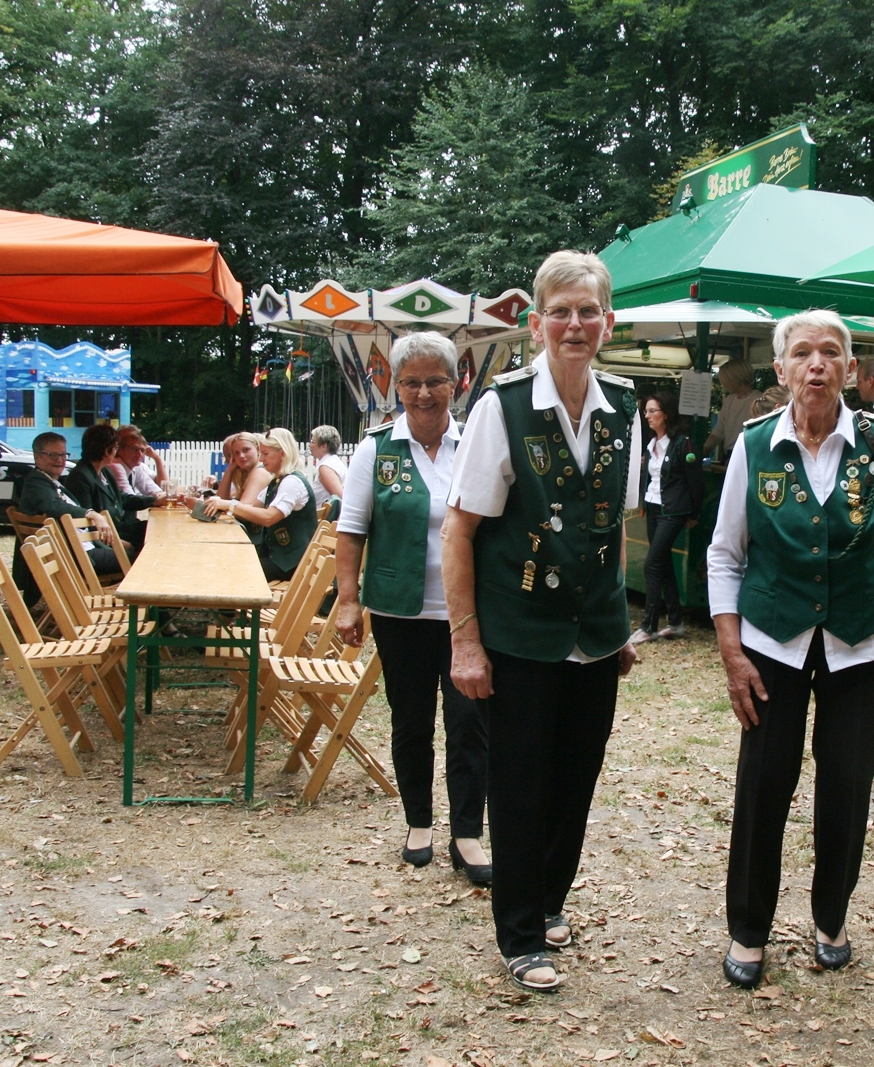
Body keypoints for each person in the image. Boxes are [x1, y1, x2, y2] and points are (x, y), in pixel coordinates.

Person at [708, 309, 874, 989]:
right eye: (802, 352)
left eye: (830, 352)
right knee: (763, 784)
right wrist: (732, 652)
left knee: (846, 784)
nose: (816, 364)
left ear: (850, 368)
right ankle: (749, 929)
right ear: (780, 369)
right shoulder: (754, 446)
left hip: (863, 643)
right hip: (771, 644)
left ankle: (831, 917)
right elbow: (725, 553)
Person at [442, 250, 642, 993]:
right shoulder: (502, 408)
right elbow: (458, 531)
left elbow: (612, 526)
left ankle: (551, 899)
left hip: (593, 636)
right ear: (536, 324)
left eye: (588, 311)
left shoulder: (623, 409)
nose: (574, 324)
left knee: (576, 776)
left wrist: (618, 624)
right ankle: (521, 932)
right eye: (560, 312)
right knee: (521, 782)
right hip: (520, 632)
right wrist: (466, 642)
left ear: (607, 322)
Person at [333, 334, 489, 886]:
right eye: (412, 383)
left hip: (467, 616)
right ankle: (418, 822)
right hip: (400, 613)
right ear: (395, 387)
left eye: (435, 381)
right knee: (411, 721)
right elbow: (351, 531)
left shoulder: (476, 446)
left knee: (470, 725)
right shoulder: (376, 450)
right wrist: (348, 602)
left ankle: (467, 833)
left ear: (455, 384)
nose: (424, 393)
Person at [631, 391, 704, 643]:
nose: (647, 416)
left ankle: (648, 626)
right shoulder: (652, 444)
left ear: (667, 414)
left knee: (652, 564)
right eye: (646, 411)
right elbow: (651, 478)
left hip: (672, 512)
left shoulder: (684, 444)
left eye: (653, 411)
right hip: (653, 508)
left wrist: (694, 512)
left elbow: (696, 482)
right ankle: (675, 622)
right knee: (662, 564)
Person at [204, 428, 318, 581]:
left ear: (282, 453)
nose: (261, 459)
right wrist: (223, 505)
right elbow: (252, 509)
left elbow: (269, 517)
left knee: (230, 572)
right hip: (280, 558)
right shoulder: (277, 481)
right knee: (226, 564)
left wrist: (229, 505)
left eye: (265, 454)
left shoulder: (292, 482)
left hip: (292, 564)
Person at [15, 430, 122, 577]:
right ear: (37, 457)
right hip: (78, 558)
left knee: (137, 552)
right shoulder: (36, 483)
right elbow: (55, 505)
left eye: (63, 455)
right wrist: (91, 514)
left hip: (83, 549)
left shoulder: (51, 482)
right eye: (52, 455)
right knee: (142, 560)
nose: (59, 460)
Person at [63, 423, 154, 551]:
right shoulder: (80, 477)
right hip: (106, 539)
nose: (116, 452)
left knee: (154, 529)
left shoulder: (105, 471)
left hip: (120, 529)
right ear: (106, 451)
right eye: (116, 447)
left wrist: (155, 501)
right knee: (147, 548)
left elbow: (122, 499)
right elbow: (87, 523)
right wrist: (117, 543)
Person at [213, 432, 273, 545]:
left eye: (246, 450)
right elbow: (222, 498)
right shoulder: (248, 474)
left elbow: (242, 511)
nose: (241, 456)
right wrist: (230, 470)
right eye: (236, 453)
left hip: (257, 543)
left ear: (258, 449)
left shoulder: (259, 473)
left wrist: (222, 504)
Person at [704, 358, 759, 463]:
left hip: (749, 455)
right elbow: (718, 431)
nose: (723, 384)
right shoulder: (729, 400)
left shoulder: (759, 400)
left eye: (725, 380)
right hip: (730, 455)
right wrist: (703, 452)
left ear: (734, 380)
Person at [112, 425, 167, 496]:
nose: (139, 454)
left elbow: (156, 489)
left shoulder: (136, 466)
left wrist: (167, 496)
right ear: (119, 449)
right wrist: (157, 498)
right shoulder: (115, 465)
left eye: (142, 450)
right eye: (134, 449)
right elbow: (129, 498)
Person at [309, 424, 348, 511]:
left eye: (313, 441)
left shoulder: (326, 468)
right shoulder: (334, 462)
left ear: (324, 446)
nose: (310, 445)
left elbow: (339, 498)